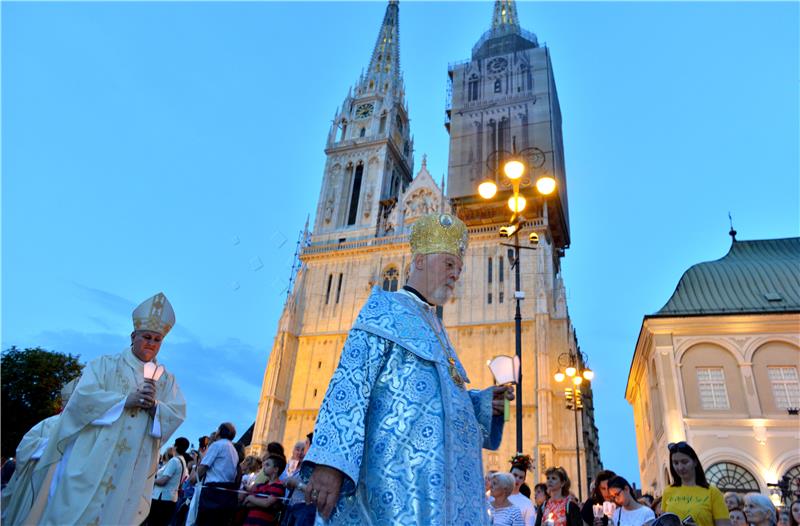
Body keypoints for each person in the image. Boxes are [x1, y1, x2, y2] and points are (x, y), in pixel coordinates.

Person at [302, 213, 513, 525]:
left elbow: (439, 403)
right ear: (419, 261)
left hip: (441, 490)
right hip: (396, 485)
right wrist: (330, 464)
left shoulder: (437, 328)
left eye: (460, 268)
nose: (456, 275)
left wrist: (482, 404)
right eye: (449, 264)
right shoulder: (383, 308)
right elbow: (350, 384)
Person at [34, 292, 186, 526]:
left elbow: (176, 413)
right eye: (146, 337)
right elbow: (82, 399)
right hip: (93, 457)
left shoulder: (166, 380)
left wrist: (156, 407)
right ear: (133, 336)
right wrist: (125, 400)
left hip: (130, 465)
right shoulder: (105, 365)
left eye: (157, 340)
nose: (151, 344)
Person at [1, 379, 78, 526]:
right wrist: (53, 444)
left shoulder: (91, 428)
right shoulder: (49, 424)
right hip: (40, 481)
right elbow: (24, 449)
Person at [661, 442, 730, 526]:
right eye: (676, 463)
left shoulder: (713, 492)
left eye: (685, 462)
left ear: (695, 462)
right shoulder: (668, 491)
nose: (680, 467)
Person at [196, 422, 240, 526]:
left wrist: (193, 479)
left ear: (219, 432)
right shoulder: (234, 450)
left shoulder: (217, 445)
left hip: (212, 493)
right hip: (225, 495)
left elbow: (203, 467)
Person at [148, 437, 190, 526]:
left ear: (176, 447)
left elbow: (163, 481)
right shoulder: (183, 461)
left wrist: (151, 481)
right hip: (171, 498)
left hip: (162, 499)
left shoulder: (174, 460)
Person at [242, 454, 288, 526]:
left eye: (267, 465)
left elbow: (266, 503)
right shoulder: (260, 485)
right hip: (249, 522)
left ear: (275, 469)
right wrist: (260, 502)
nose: (264, 467)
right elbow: (246, 503)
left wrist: (250, 498)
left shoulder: (279, 486)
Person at [282, 432, 315, 526]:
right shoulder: (305, 465)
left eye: (307, 443)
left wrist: (297, 484)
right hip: (292, 509)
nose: (302, 450)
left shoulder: (316, 467)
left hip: (304, 511)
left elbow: (316, 493)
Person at [509, 455, 536, 526]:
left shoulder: (527, 503)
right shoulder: (497, 496)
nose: (517, 479)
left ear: (524, 480)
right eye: (515, 475)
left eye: (521, 477)